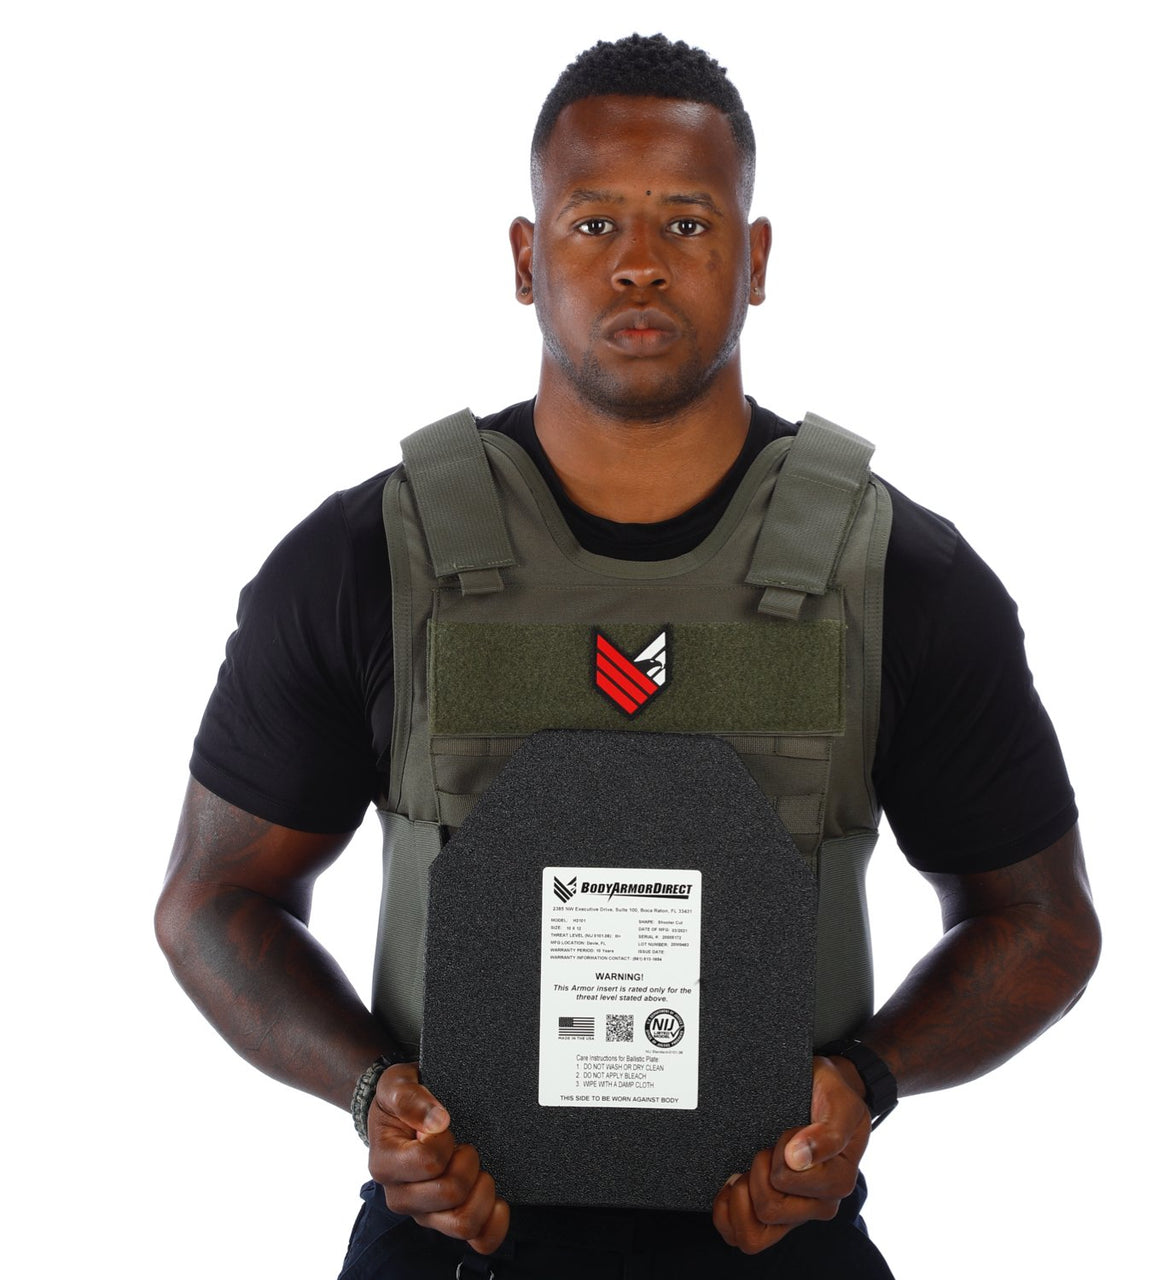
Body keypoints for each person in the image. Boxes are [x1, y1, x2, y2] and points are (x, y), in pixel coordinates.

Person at [156, 32, 1101, 1280]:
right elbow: (210, 903)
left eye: (689, 223)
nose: (641, 263)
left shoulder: (896, 574)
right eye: (593, 223)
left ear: (754, 260)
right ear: (524, 256)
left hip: (779, 1237)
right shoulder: (363, 560)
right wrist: (374, 1093)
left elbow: (1041, 921)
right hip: (454, 1241)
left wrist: (862, 1084)